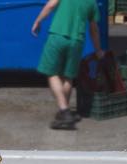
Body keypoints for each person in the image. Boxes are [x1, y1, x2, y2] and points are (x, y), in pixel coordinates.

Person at [33, 0, 103, 130]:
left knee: (51, 73)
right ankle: (64, 112)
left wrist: (38, 20)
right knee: (68, 77)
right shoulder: (92, 3)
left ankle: (64, 111)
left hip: (58, 37)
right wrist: (98, 50)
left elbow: (51, 5)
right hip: (77, 41)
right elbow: (94, 29)